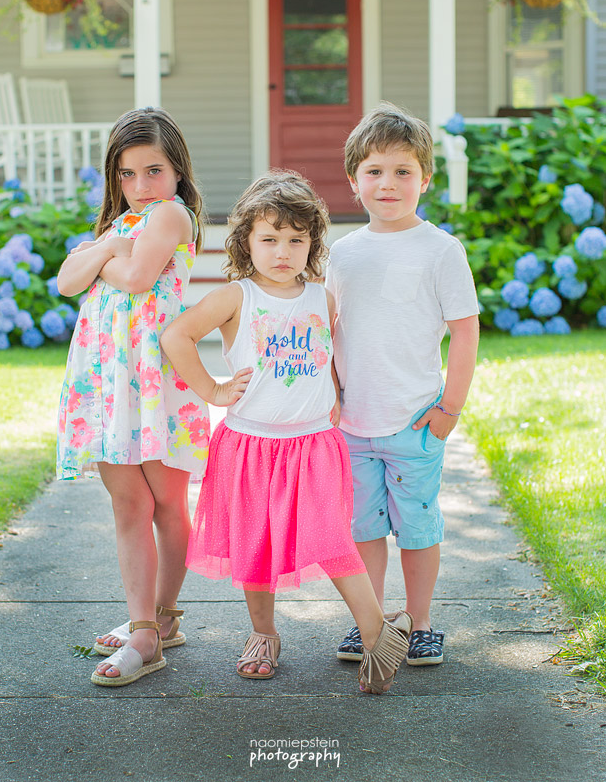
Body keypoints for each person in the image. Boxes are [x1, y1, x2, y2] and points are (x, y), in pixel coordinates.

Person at [161, 170, 413, 694]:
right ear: (246, 241)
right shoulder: (235, 297)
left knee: (333, 538)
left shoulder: (321, 298)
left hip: (313, 444)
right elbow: (176, 335)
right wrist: (211, 390)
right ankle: (263, 634)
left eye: (297, 240)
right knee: (256, 547)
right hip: (250, 444)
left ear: (313, 245)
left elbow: (331, 358)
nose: (283, 251)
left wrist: (338, 396)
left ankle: (375, 633)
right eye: (269, 239)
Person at [56, 107, 210, 687]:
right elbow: (69, 280)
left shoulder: (172, 215)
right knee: (128, 502)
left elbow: (140, 278)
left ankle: (158, 624)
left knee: (168, 502)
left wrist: (101, 257)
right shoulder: (119, 226)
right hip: (107, 379)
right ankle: (145, 624)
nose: (140, 187)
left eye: (153, 171)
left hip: (154, 376)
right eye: (126, 174)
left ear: (177, 173)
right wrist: (103, 254)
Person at [327, 102, 479, 668]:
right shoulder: (342, 253)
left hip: (415, 420)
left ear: (425, 179)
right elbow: (331, 330)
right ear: (353, 182)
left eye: (402, 172)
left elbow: (465, 332)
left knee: (416, 528)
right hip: (352, 425)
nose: (387, 184)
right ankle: (371, 622)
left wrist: (451, 407)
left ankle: (420, 623)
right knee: (363, 528)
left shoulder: (440, 249)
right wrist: (332, 396)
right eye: (374, 172)